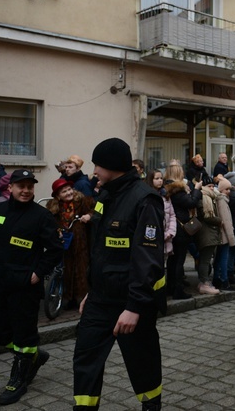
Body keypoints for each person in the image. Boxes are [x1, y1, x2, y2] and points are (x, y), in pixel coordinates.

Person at [73, 138, 166, 411]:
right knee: (86, 361)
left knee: (143, 364)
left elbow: (147, 260)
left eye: (97, 165)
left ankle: (151, 407)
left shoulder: (145, 199)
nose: (94, 171)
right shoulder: (106, 195)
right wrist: (92, 291)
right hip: (100, 300)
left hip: (131, 303)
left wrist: (135, 307)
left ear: (112, 165)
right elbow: (102, 250)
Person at [0, 169, 63, 406]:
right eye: (21, 186)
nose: (26, 190)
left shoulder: (42, 217)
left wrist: (37, 273)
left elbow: (55, 250)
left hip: (24, 286)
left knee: (24, 334)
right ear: (10, 188)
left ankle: (18, 380)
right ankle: (33, 355)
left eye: (30, 186)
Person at [46, 179, 94, 310]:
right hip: (64, 242)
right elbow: (49, 222)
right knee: (66, 269)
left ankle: (82, 297)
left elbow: (96, 210)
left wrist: (89, 216)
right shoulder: (53, 207)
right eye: (64, 191)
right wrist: (57, 231)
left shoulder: (83, 201)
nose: (68, 193)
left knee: (82, 268)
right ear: (57, 195)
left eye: (69, 189)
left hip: (81, 242)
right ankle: (66, 297)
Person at [166, 163, 202, 299]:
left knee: (172, 260)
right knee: (178, 260)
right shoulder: (177, 189)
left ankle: (170, 287)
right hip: (180, 228)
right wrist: (197, 189)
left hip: (173, 226)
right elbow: (191, 202)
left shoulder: (167, 188)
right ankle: (177, 290)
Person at [213, 178, 235, 291]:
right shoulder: (222, 201)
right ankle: (224, 280)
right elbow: (226, 222)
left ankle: (216, 279)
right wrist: (231, 238)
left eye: (229, 189)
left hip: (220, 234)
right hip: (224, 235)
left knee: (219, 257)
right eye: (226, 189)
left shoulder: (220, 200)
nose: (229, 191)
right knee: (223, 258)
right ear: (222, 190)